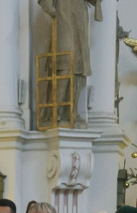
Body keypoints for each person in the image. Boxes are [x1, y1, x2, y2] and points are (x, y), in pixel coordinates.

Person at [37, 0, 102, 128]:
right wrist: (50, 8)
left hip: (79, 19)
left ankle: (70, 112)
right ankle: (55, 111)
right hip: (63, 16)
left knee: (78, 67)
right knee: (64, 63)